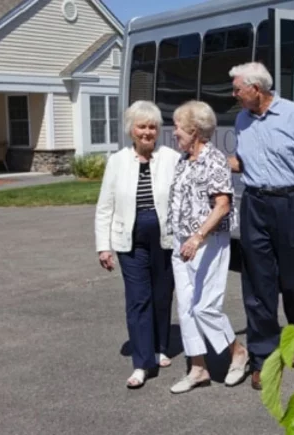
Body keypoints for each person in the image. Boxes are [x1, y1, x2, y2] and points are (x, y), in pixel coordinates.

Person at [227, 62, 294, 390]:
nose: (234, 94)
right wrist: (225, 162)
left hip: (293, 203)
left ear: (256, 89)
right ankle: (263, 359)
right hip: (255, 204)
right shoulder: (242, 119)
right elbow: (245, 161)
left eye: (238, 89)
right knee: (258, 285)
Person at [94, 100, 181, 389]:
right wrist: (103, 246)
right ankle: (142, 364)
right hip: (128, 240)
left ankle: (161, 346)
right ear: (132, 130)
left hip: (164, 239)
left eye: (152, 126)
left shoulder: (170, 157)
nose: (147, 132)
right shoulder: (117, 161)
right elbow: (105, 206)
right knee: (138, 298)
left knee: (161, 294)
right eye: (142, 126)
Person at [167, 100, 250, 394]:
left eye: (178, 127)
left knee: (204, 307)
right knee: (187, 307)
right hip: (182, 244)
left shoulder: (214, 160)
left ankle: (238, 352)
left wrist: (197, 236)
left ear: (195, 130)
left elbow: (223, 205)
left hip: (208, 242)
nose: (174, 132)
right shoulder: (183, 160)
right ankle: (198, 368)